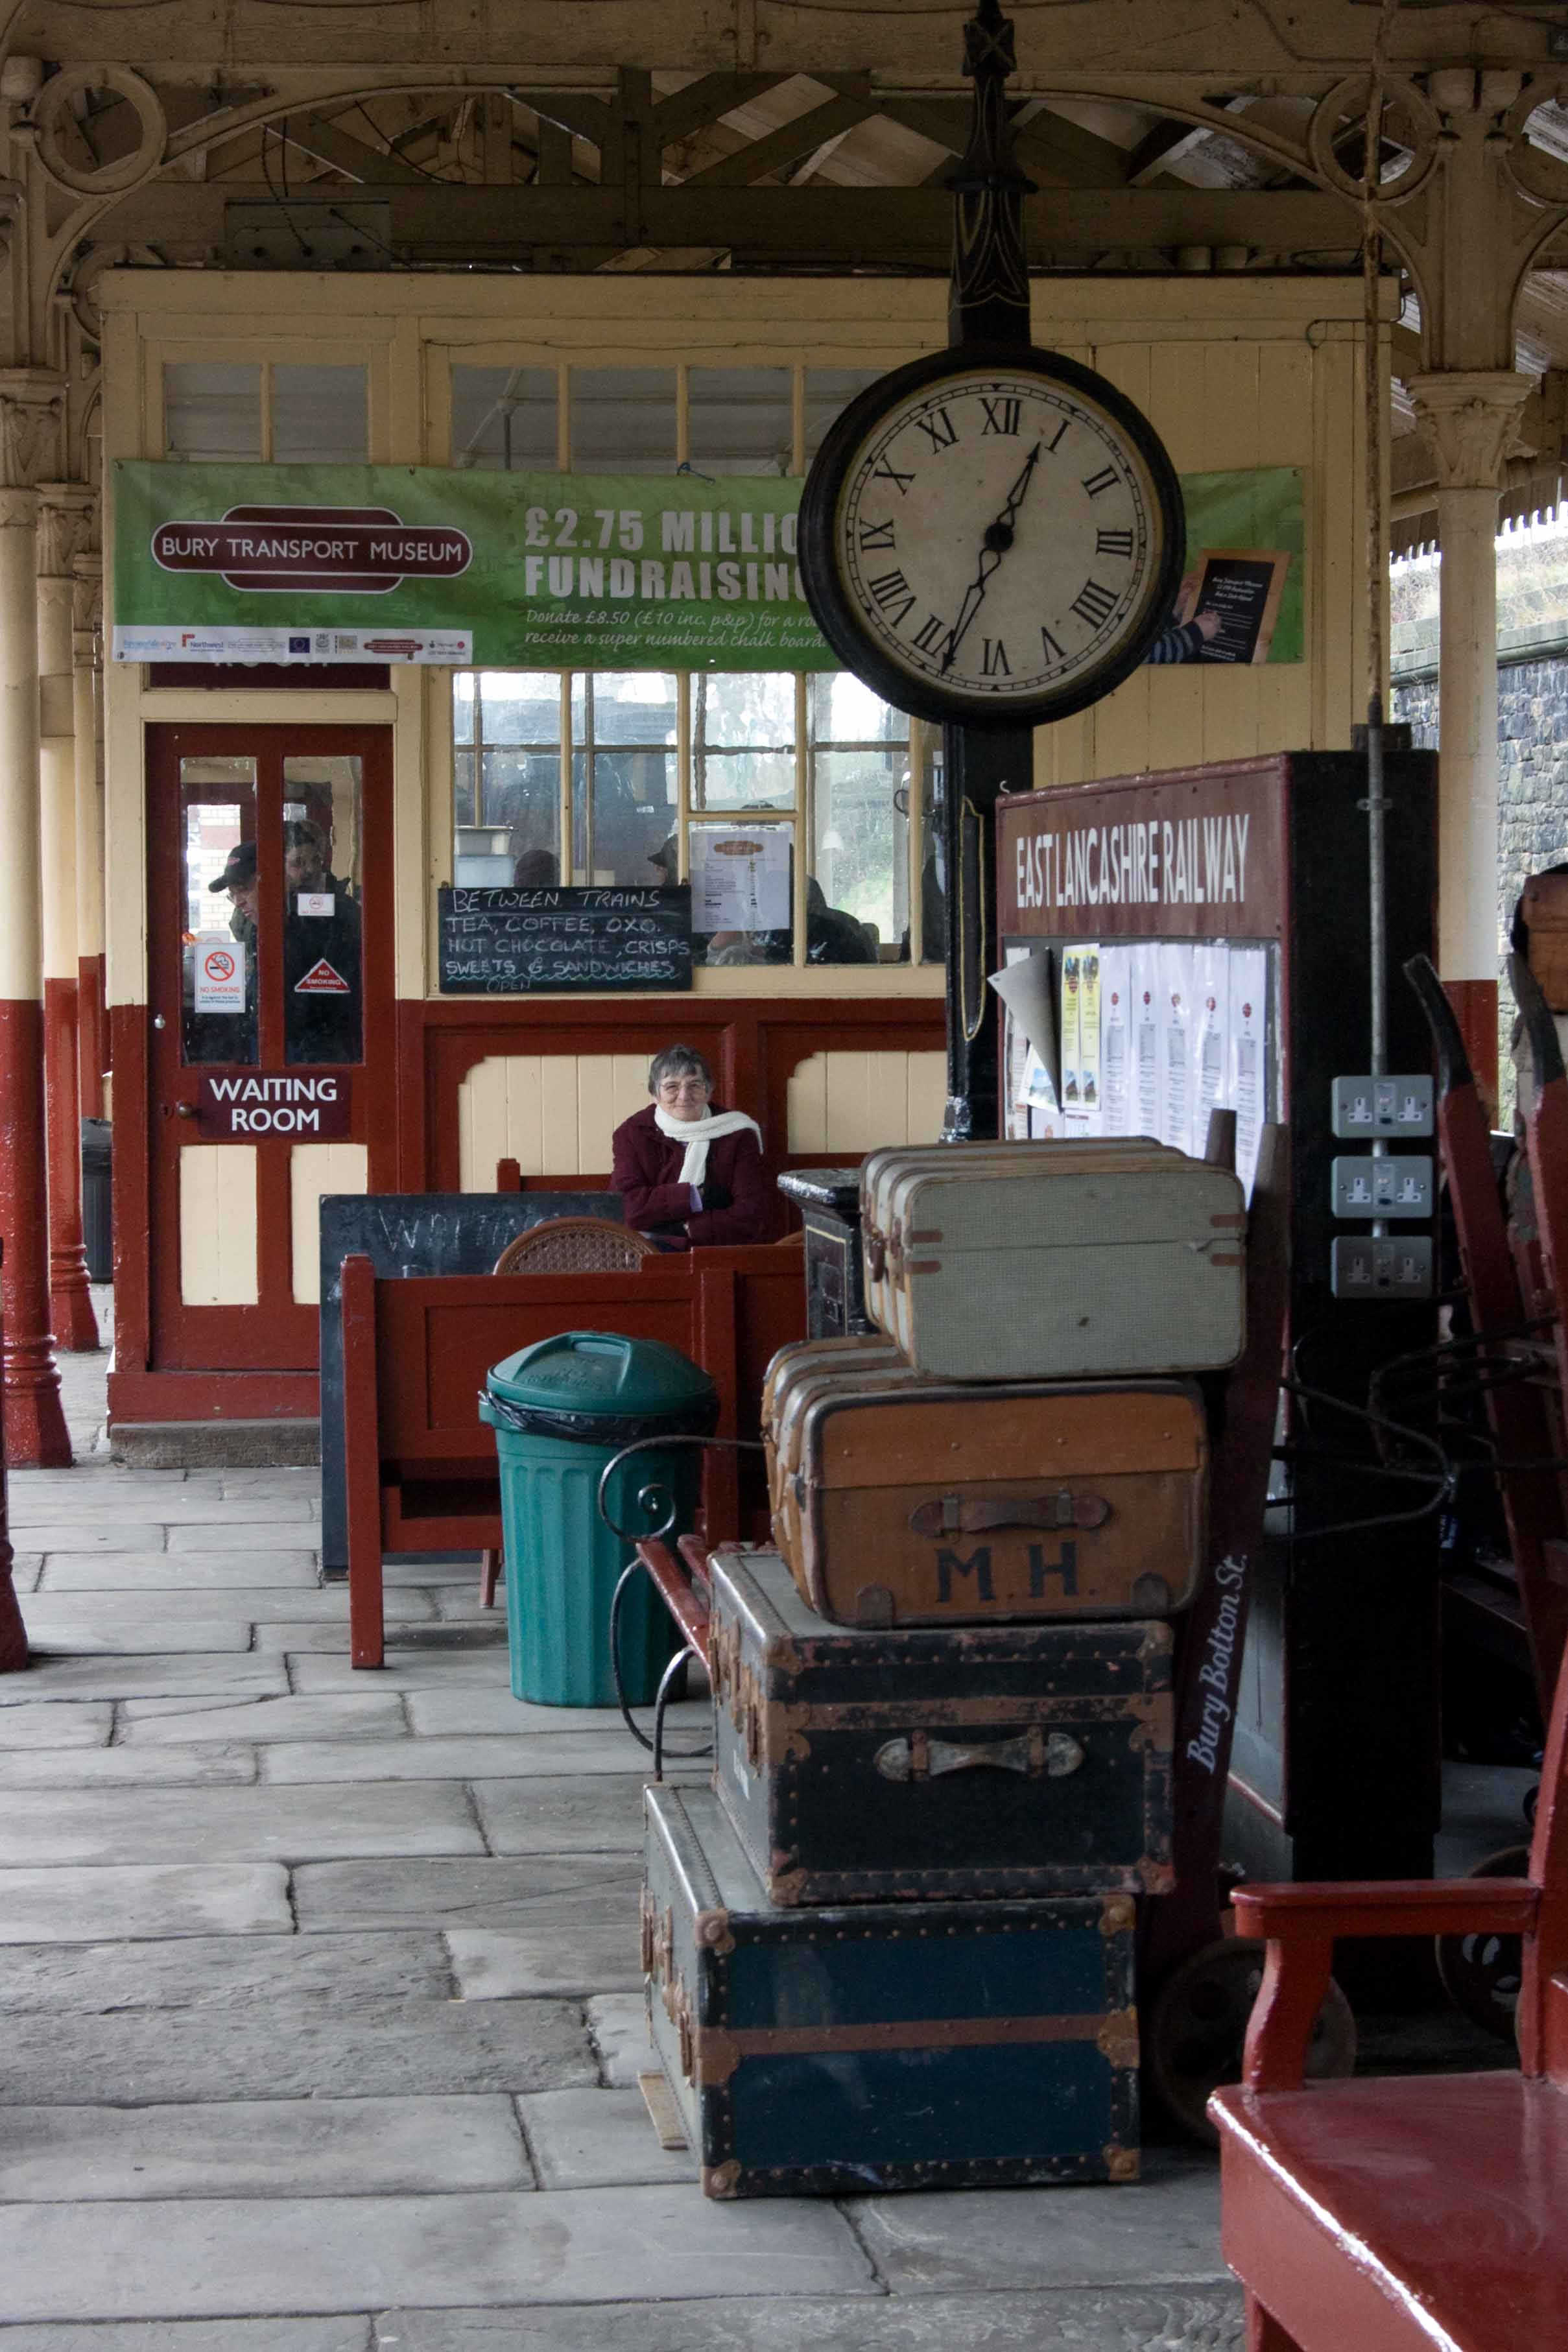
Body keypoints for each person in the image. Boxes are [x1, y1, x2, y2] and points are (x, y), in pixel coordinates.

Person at [611, 1043, 778, 1247]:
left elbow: (752, 1213)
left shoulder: (738, 1133)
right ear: (654, 1094)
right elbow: (625, 1207)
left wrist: (688, 1229)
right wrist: (690, 1195)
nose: (684, 1096)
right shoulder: (632, 1133)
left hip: (719, 1251)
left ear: (709, 1091)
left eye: (695, 1085)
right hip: (645, 1251)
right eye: (672, 1086)